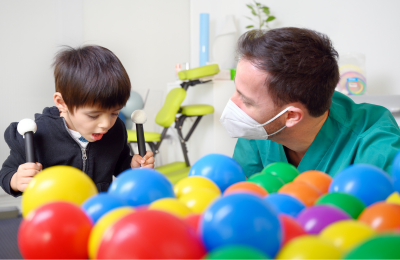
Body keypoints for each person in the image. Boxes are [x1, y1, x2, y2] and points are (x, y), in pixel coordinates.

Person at [220, 27, 400, 178]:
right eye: (237, 91)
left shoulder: (376, 148)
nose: (233, 104)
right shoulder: (257, 131)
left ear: (291, 116)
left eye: (246, 100)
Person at [0, 45, 154, 197]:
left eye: (114, 113)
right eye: (93, 116)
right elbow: (6, 173)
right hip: (57, 215)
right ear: (61, 103)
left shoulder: (116, 130)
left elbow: (119, 164)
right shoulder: (38, 134)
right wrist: (16, 180)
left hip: (98, 211)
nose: (106, 124)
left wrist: (132, 166)